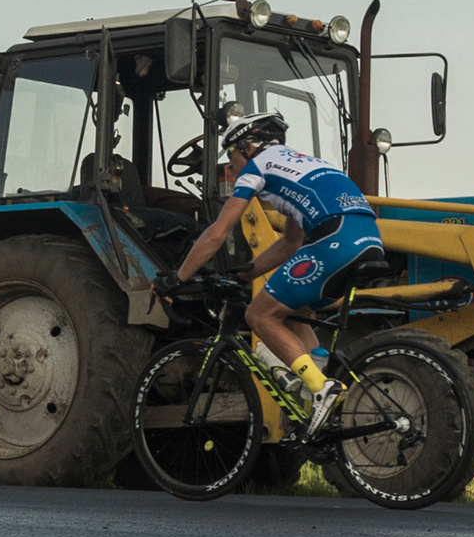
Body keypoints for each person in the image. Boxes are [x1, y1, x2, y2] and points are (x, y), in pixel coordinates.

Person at [157, 110, 383, 436]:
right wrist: (247, 273)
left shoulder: (256, 168)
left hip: (335, 239)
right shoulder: (304, 164)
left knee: (259, 316)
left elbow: (218, 232)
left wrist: (177, 278)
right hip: (367, 238)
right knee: (293, 312)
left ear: (248, 146)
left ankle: (320, 388)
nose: (230, 164)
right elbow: (291, 242)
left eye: (231, 154)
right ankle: (318, 396)